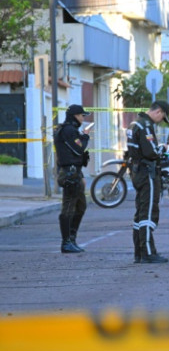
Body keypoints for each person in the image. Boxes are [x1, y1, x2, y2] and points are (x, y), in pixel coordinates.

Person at [126, 100, 169, 263]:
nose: (160, 121)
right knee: (148, 213)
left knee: (140, 212)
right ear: (159, 111)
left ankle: (139, 252)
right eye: (162, 117)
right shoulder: (145, 126)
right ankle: (148, 253)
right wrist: (164, 149)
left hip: (138, 172)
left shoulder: (134, 124)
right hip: (147, 173)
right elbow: (151, 152)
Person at [53, 104, 92, 253]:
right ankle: (66, 242)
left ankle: (72, 238)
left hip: (75, 172)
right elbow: (79, 148)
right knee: (68, 207)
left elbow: (76, 153)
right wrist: (85, 135)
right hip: (69, 173)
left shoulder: (71, 130)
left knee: (81, 206)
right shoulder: (68, 130)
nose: (83, 118)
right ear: (75, 116)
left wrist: (81, 175)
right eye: (82, 116)